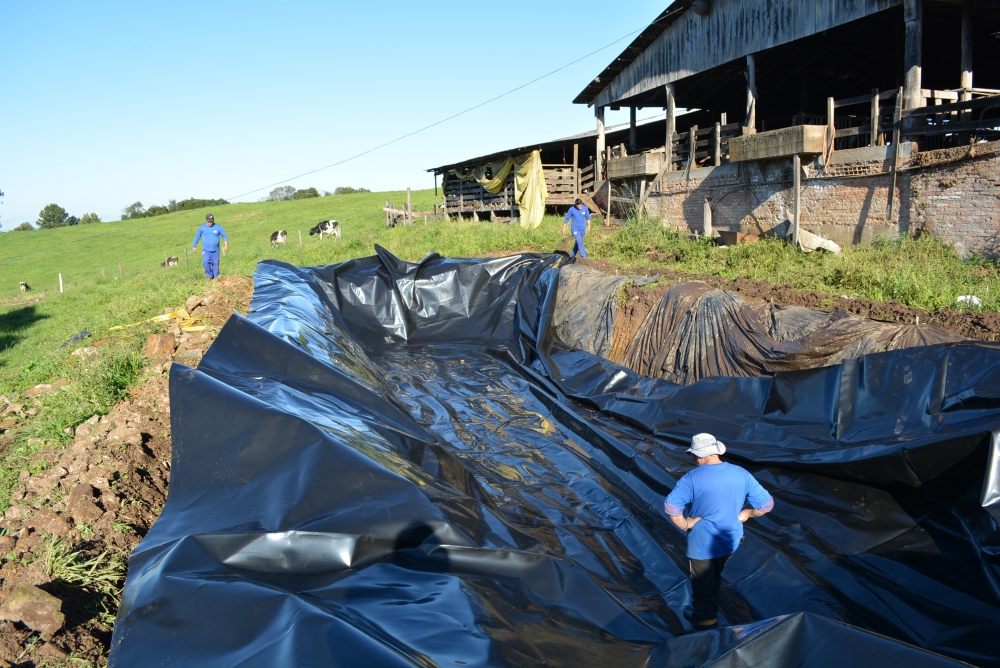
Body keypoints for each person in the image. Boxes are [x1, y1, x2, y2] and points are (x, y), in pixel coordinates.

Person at [664, 433, 773, 631]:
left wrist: (685, 524)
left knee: (703, 584)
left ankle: (705, 623)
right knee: (715, 573)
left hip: (702, 543)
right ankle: (710, 600)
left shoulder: (692, 478)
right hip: (731, 540)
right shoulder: (741, 473)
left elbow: (672, 507)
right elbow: (767, 505)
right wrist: (747, 512)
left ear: (699, 456)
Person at [191, 213, 228, 279]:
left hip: (215, 250)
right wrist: (194, 245)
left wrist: (226, 246)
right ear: (206, 221)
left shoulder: (218, 227)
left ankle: (216, 278)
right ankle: (209, 275)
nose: (210, 223)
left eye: (211, 221)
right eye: (209, 221)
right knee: (205, 262)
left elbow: (224, 236)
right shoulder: (202, 228)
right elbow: (197, 237)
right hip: (206, 250)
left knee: (215, 264)